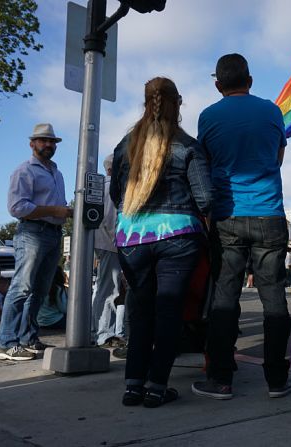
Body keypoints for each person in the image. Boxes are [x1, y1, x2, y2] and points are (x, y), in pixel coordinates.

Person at [192, 53, 291, 400]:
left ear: (218, 85)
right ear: (249, 80)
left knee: (224, 298)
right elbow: (277, 158)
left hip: (227, 216)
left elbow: (204, 164)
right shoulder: (272, 111)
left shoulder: (208, 117)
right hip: (269, 214)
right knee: (274, 298)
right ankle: (277, 380)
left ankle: (220, 379)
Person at [110, 76, 212, 408]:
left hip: (133, 238)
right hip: (178, 237)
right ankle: (156, 387)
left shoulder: (126, 145)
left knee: (140, 310)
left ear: (145, 102)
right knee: (169, 312)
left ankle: (132, 386)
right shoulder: (188, 145)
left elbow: (117, 195)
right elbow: (206, 198)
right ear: (177, 103)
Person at [0, 123, 72, 361]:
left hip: (52, 233)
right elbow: (17, 207)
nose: (48, 144)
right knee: (22, 287)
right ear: (32, 144)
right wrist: (57, 210)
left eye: (52, 141)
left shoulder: (56, 173)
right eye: (43, 140)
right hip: (32, 232)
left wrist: (63, 212)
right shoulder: (24, 171)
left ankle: (27, 338)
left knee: (39, 290)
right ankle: (6, 343)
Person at [92, 153, 125, 348]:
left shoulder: (102, 186)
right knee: (109, 290)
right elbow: (110, 220)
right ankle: (104, 333)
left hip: (105, 244)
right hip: (112, 244)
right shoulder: (112, 187)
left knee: (108, 289)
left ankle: (105, 331)